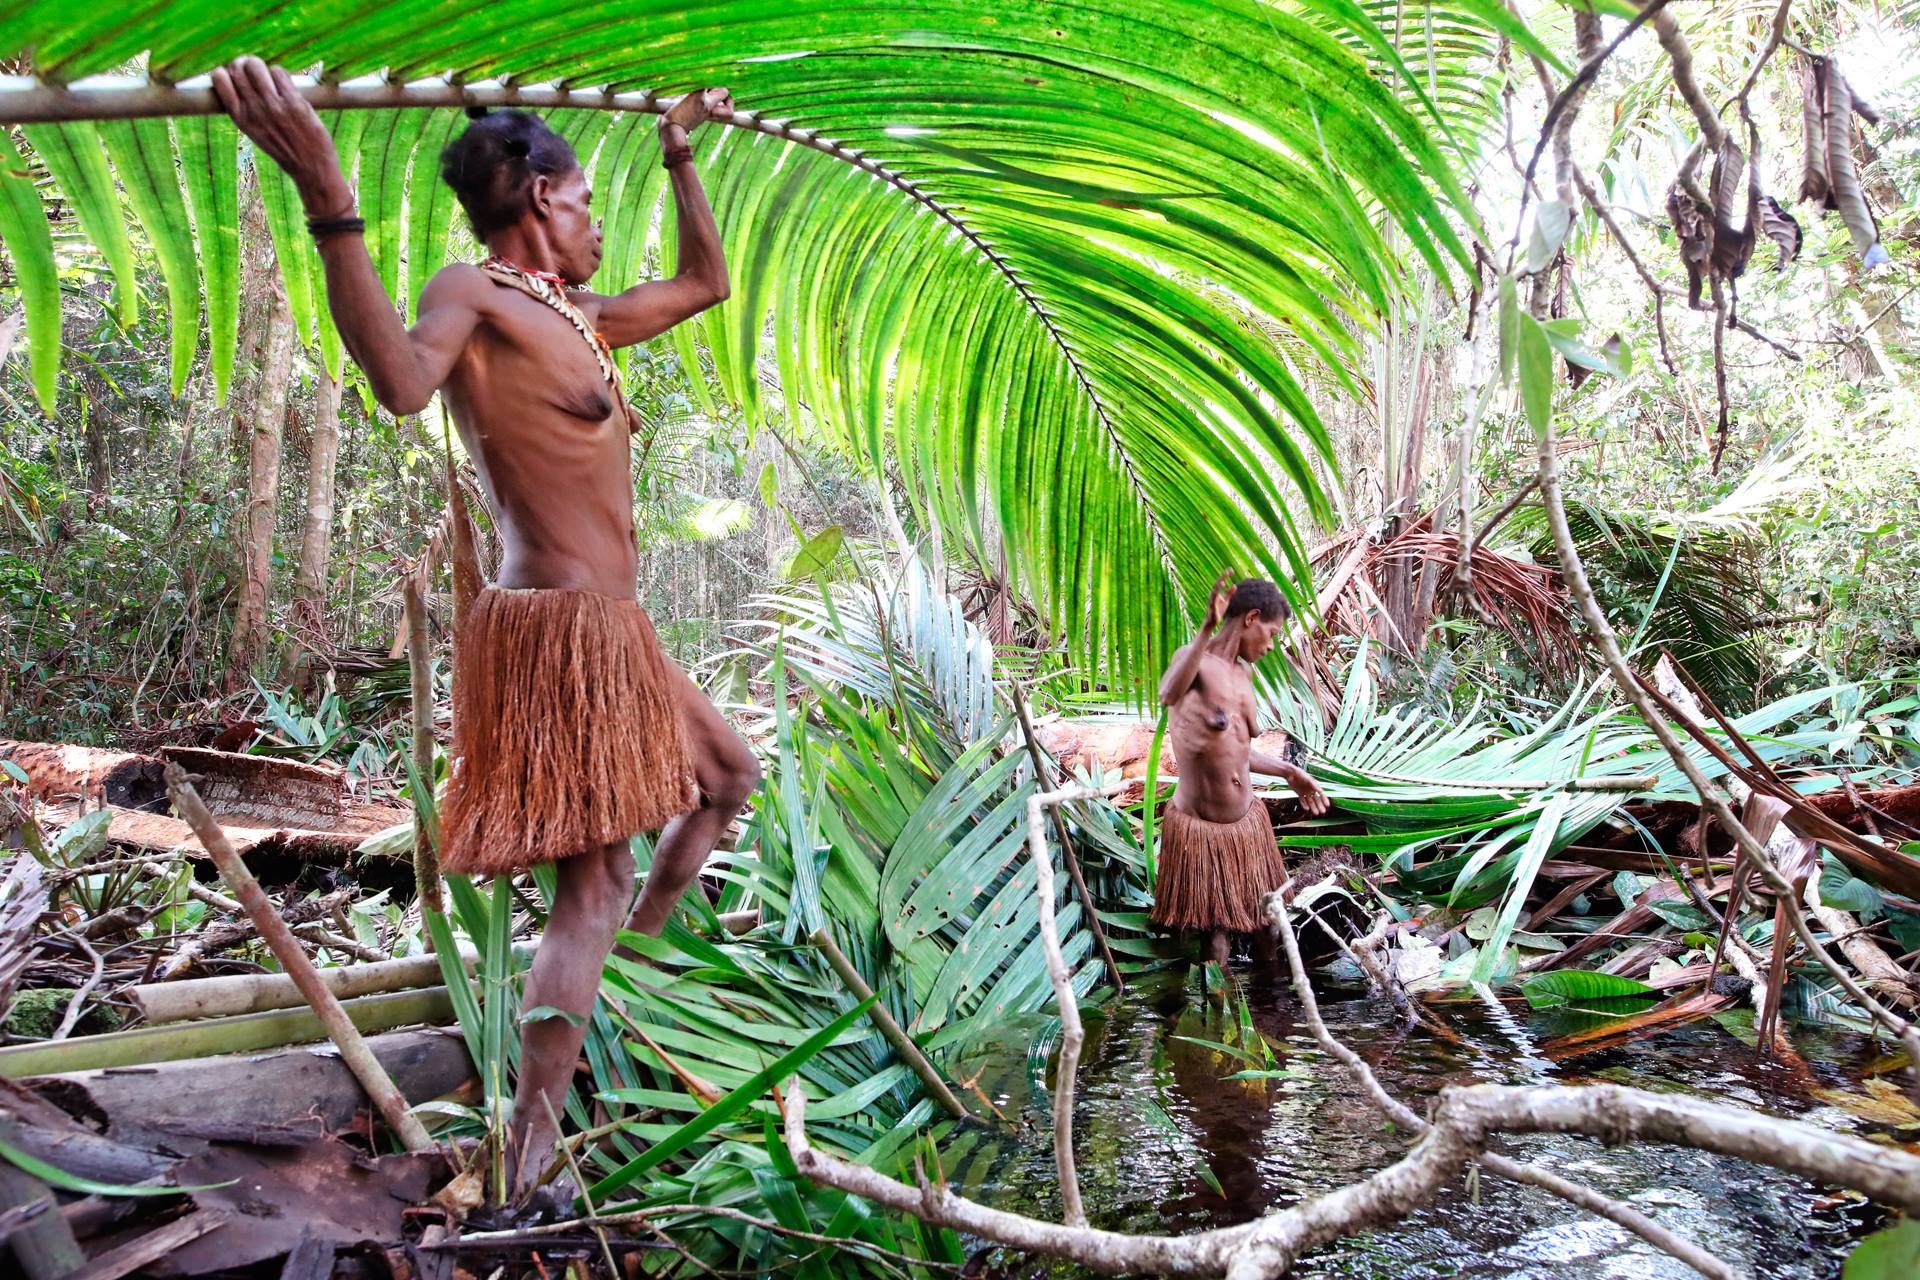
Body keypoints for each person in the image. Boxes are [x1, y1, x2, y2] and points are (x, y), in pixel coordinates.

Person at [212, 58, 762, 1200]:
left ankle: (628, 980)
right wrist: (326, 189)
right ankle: (531, 1140)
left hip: (618, 627)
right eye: (591, 202)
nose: (602, 224)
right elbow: (401, 382)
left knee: (724, 778)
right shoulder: (474, 293)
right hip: (554, 629)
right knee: (591, 882)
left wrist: (679, 152)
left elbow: (706, 282)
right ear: (540, 198)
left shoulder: (585, 315)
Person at [1154, 572, 1329, 968]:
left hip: (1248, 825)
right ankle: (1218, 1022)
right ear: (1250, 618)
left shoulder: (1244, 674)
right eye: (1271, 633)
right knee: (1216, 939)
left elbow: (1236, 751)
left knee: (1268, 926)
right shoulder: (1192, 662)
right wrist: (1205, 629)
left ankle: (1272, 1021)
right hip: (1203, 831)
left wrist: (1288, 771)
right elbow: (1167, 693)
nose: (1271, 646)